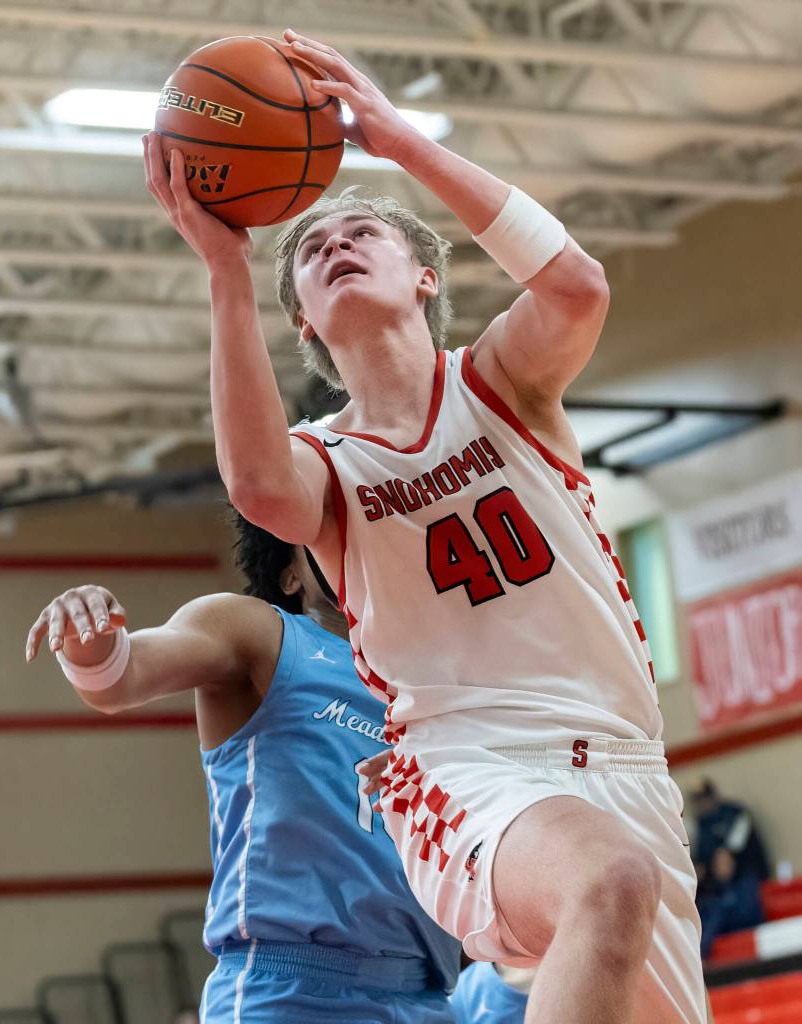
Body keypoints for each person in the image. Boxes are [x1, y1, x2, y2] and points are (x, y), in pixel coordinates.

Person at [142, 28, 705, 1024]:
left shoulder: (504, 383)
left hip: (625, 762)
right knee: (609, 880)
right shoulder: (329, 462)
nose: (335, 245)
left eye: (364, 237)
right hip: (465, 768)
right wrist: (227, 272)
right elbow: (262, 491)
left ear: (426, 278)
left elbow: (577, 286)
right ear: (308, 325)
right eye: (313, 250)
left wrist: (403, 144)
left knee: (620, 889)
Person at [24, 515, 461, 1023]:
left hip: (426, 997)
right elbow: (121, 678)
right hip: (289, 989)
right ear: (289, 575)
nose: (355, 541)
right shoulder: (262, 633)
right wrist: (91, 642)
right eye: (328, 530)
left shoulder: (439, 685)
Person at [690, 780, 769, 959]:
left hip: (743, 887)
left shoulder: (735, 814)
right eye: (698, 800)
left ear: (713, 797)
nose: (702, 804)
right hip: (720, 893)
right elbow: (702, 867)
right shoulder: (700, 825)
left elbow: (726, 862)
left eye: (704, 798)